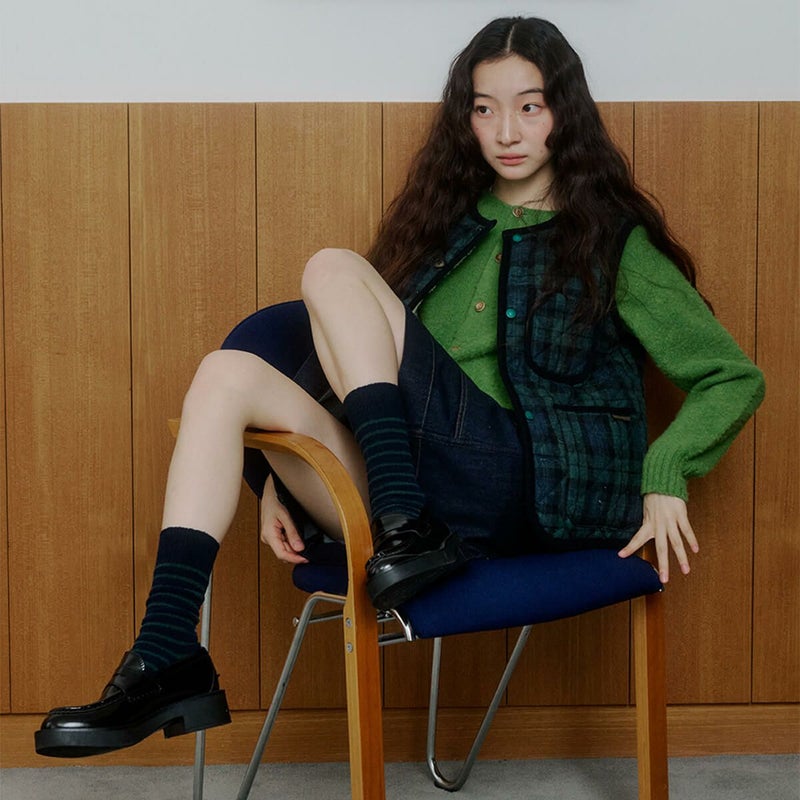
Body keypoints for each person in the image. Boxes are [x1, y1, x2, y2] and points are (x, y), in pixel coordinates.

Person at [35, 16, 765, 758]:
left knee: (331, 267)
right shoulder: (440, 230)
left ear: (565, 113)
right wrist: (276, 477)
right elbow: (353, 369)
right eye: (484, 109)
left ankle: (405, 521)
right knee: (223, 374)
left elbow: (730, 376)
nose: (506, 131)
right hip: (413, 491)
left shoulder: (611, 243)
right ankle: (167, 649)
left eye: (530, 106)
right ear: (464, 121)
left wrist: (666, 473)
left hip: (513, 485)